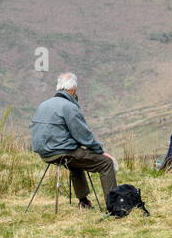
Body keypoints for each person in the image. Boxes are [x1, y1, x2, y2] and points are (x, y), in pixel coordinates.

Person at [30, 72, 117, 209]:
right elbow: (84, 136)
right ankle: (114, 206)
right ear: (73, 90)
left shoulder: (43, 105)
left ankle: (84, 202)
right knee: (106, 163)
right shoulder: (69, 107)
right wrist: (100, 151)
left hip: (45, 154)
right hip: (62, 153)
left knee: (76, 161)